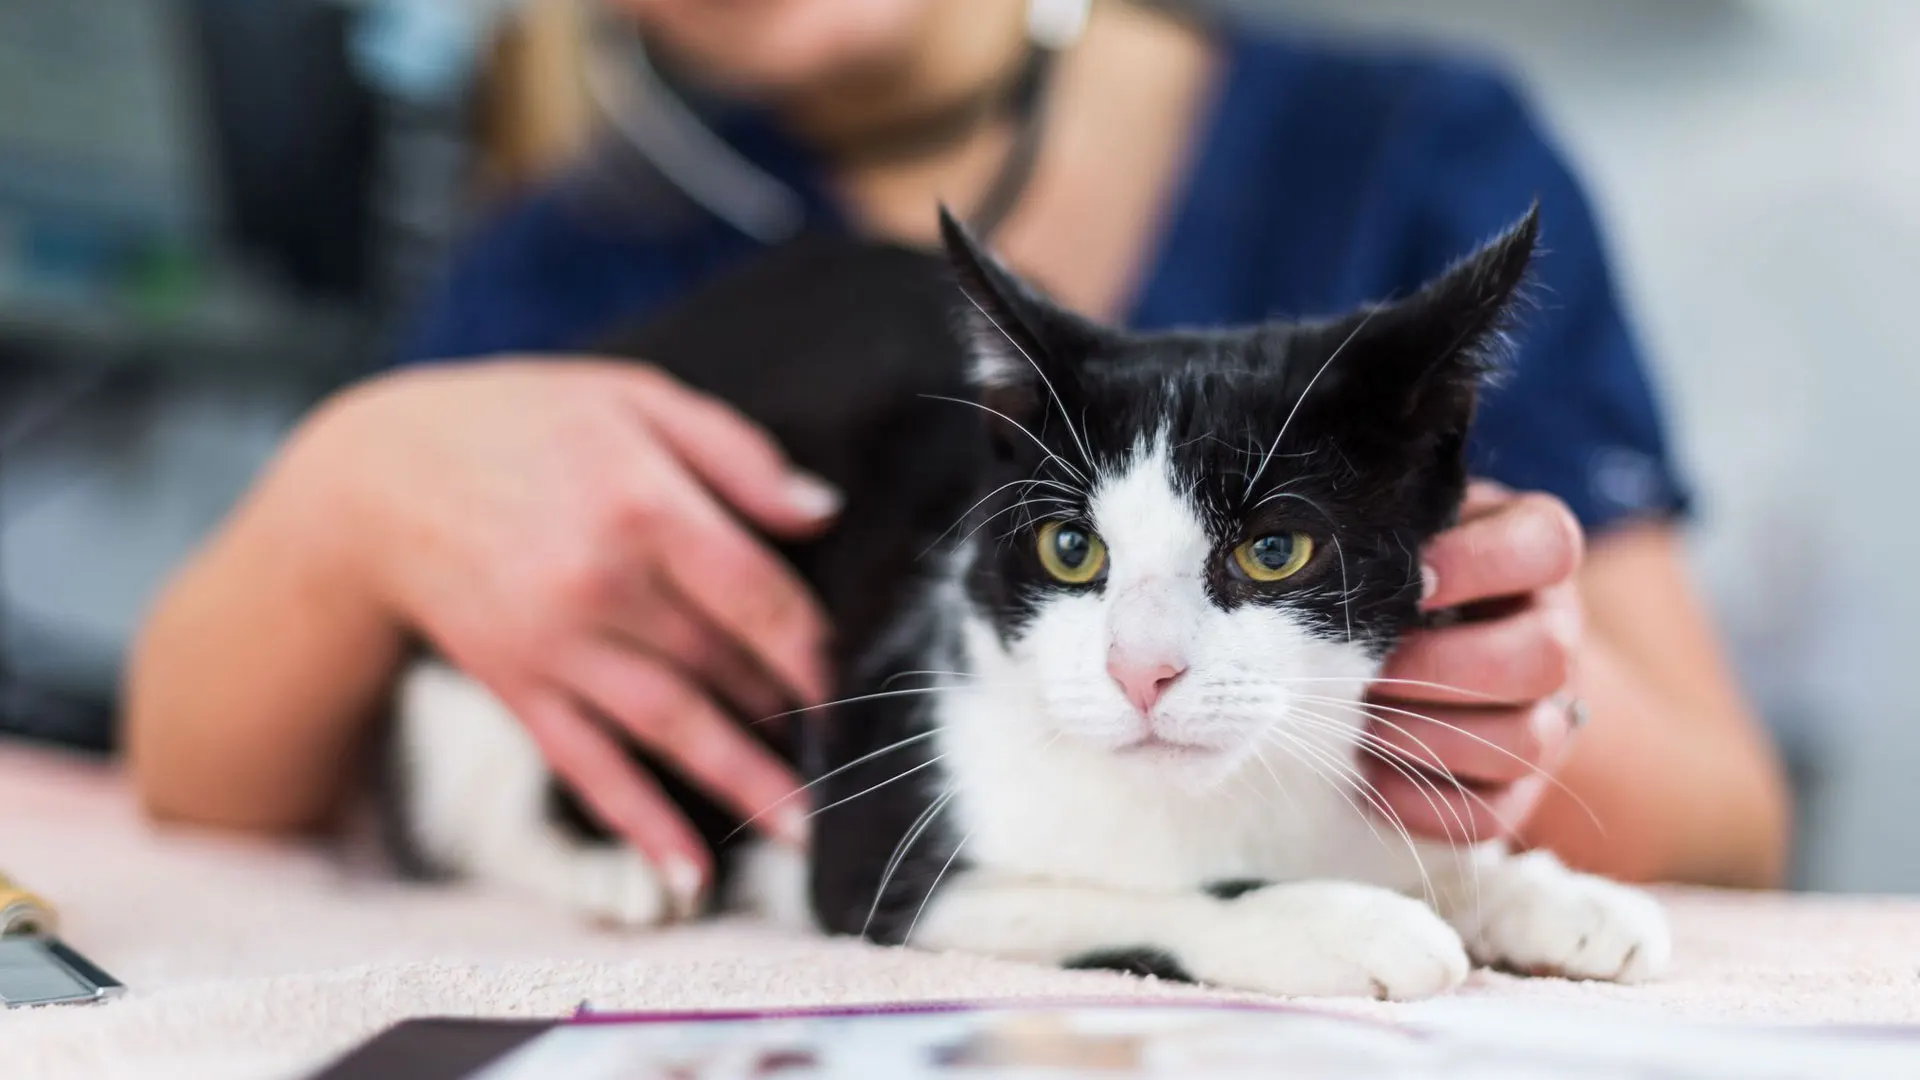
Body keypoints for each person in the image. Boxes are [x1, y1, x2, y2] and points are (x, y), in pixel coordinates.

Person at [123, 0, 1790, 900]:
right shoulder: (566, 263)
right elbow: (200, 782)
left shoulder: (1408, 159)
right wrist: (351, 491)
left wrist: (1511, 702)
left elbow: (1731, 830)